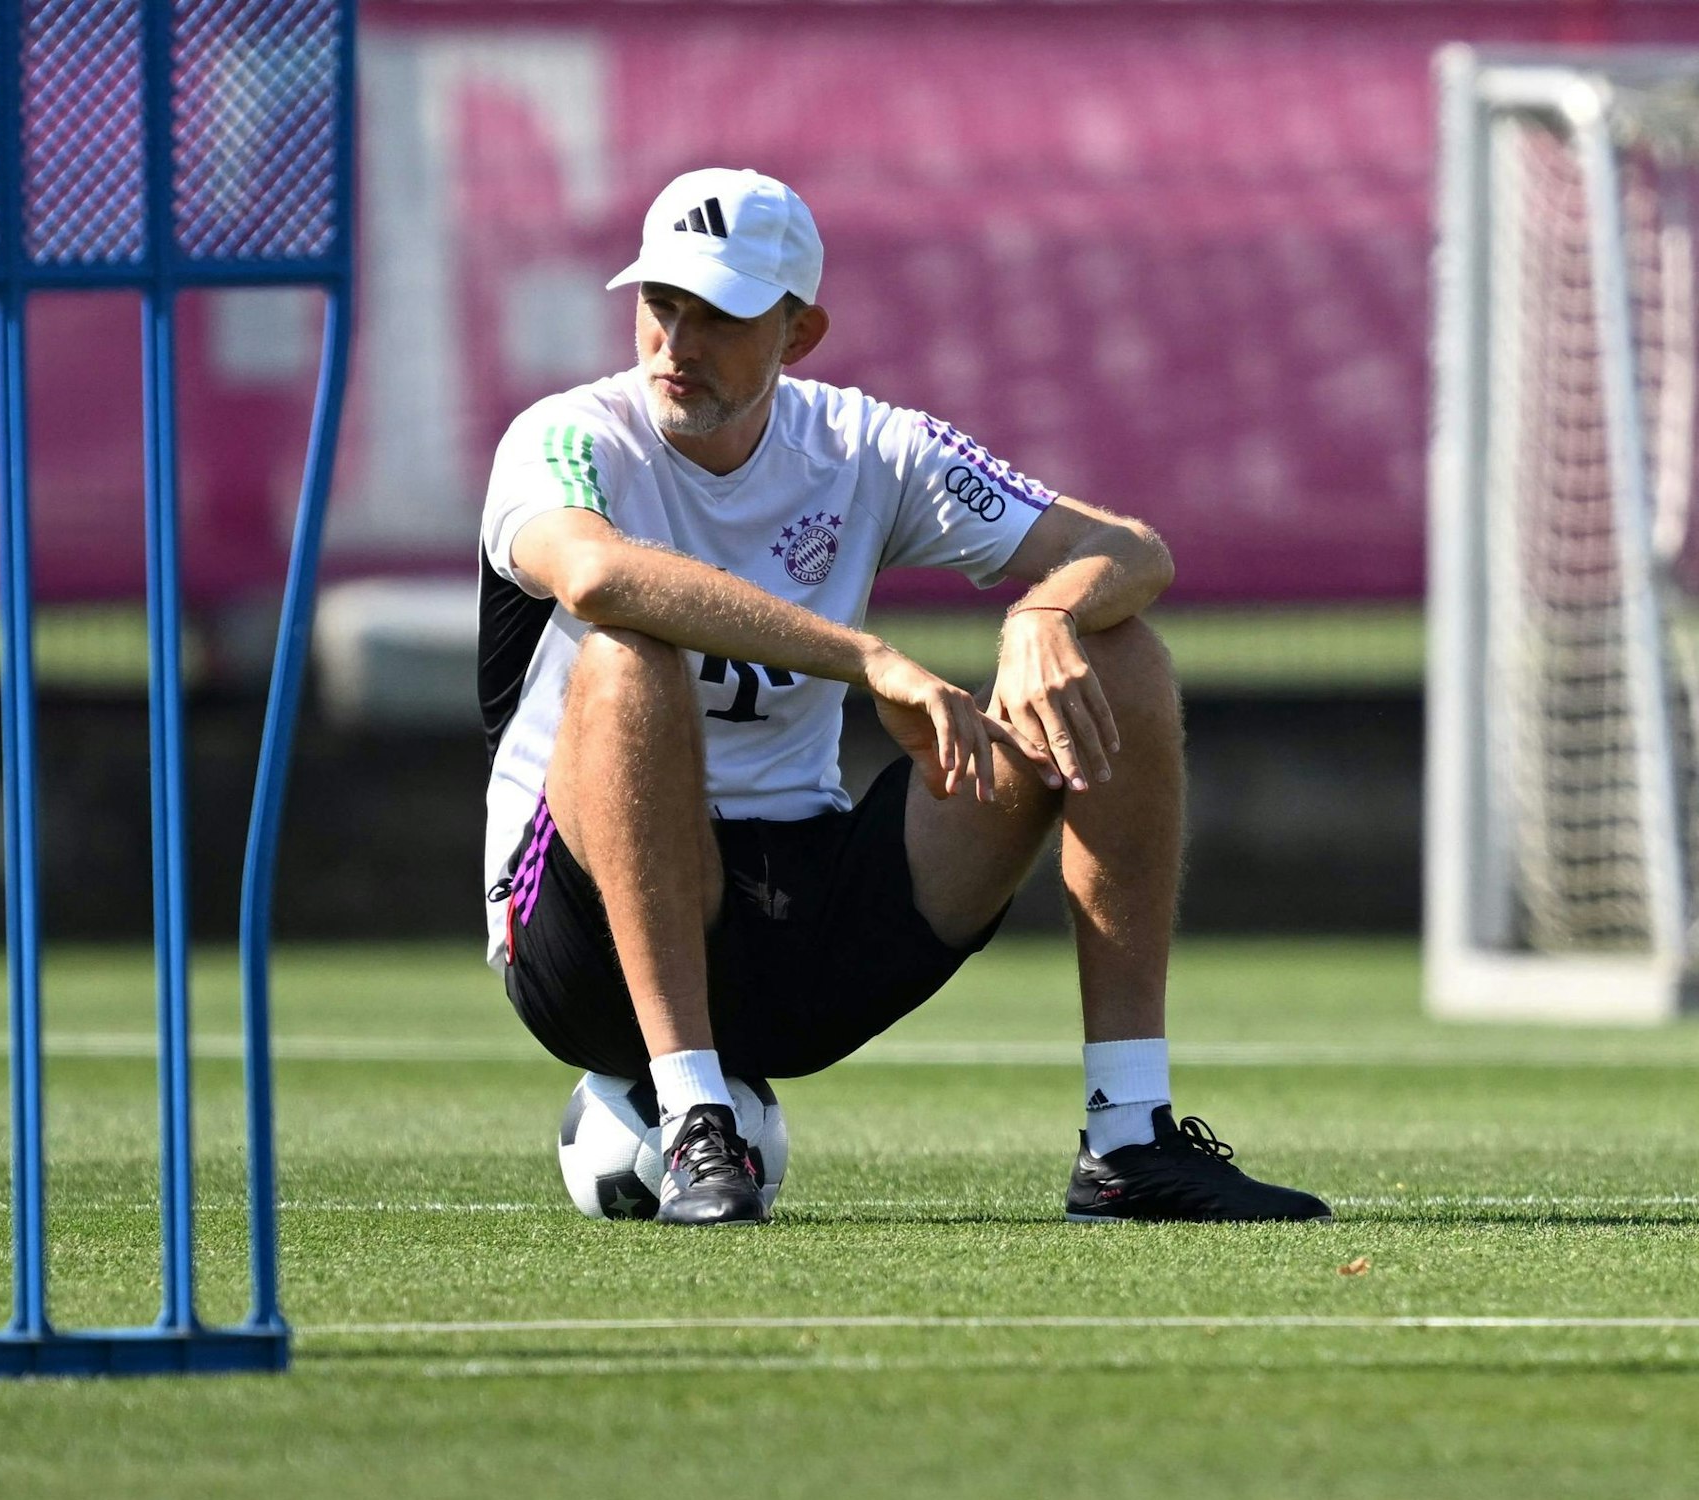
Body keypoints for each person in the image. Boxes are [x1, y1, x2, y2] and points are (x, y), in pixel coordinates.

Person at [478, 167, 1330, 1227]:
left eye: (721, 315)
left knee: (1120, 653)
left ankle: (1126, 1136)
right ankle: (696, 1117)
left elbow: (1123, 547)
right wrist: (868, 660)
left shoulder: (866, 445)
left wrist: (1041, 618)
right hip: (580, 948)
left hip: (802, 923)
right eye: (661, 304)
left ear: (799, 333)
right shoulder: (565, 436)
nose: (676, 344)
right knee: (625, 656)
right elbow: (596, 576)